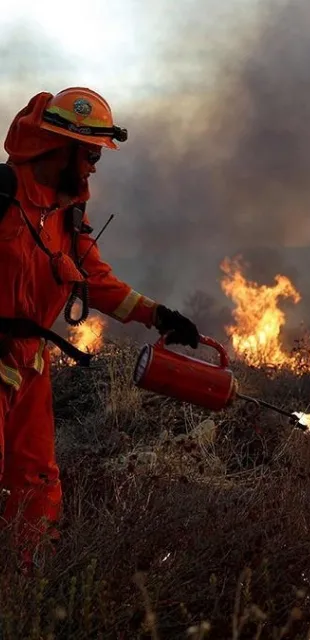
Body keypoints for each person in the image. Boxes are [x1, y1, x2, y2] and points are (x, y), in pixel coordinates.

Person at [0, 87, 200, 570]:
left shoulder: (66, 217)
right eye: (90, 154)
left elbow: (100, 282)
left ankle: (30, 582)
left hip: (30, 365)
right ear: (60, 147)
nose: (93, 167)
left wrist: (159, 315)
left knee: (38, 479)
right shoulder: (0, 197)